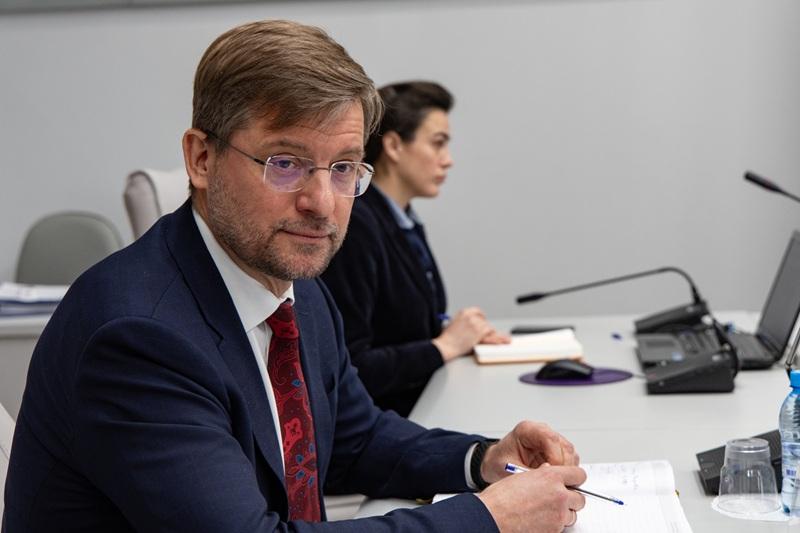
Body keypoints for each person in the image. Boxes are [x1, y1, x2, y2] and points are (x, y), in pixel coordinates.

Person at [2, 20, 585, 533]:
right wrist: (488, 519)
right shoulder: (138, 338)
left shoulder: (297, 290)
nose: (321, 202)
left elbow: (355, 439)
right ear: (201, 159)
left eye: (343, 168)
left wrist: (485, 459)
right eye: (285, 163)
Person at [321, 81, 508, 417]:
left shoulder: (403, 220)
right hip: (383, 425)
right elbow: (352, 365)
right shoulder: (358, 226)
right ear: (394, 146)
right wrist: (444, 346)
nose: (448, 161)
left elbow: (404, 331)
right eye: (438, 143)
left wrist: (460, 336)